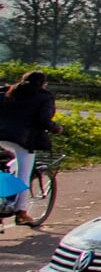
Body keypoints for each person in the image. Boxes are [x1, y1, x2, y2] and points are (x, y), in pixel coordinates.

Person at [0, 71, 61, 223]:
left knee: (8, 165)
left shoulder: (8, 91)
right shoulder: (43, 97)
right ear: (42, 83)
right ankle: (21, 212)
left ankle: (5, 197)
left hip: (2, 136)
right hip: (23, 140)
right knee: (24, 174)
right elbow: (43, 120)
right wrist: (56, 128)